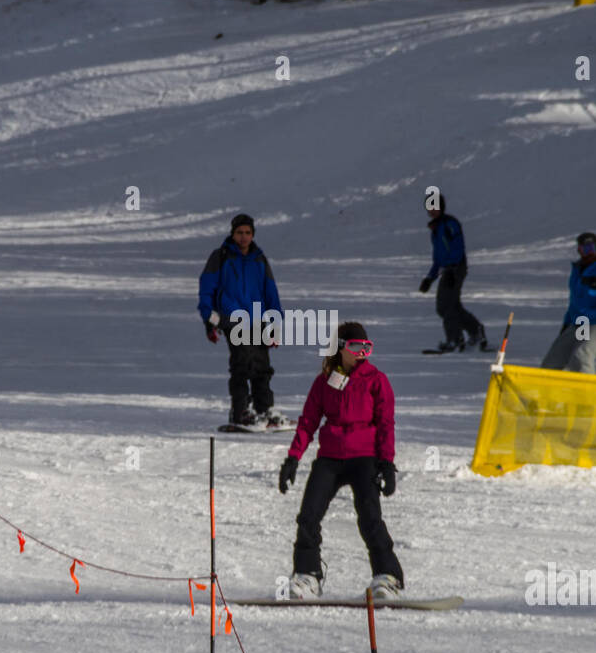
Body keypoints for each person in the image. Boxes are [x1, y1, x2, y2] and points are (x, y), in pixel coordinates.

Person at [277, 322, 403, 600]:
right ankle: (307, 576)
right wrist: (292, 458)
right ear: (341, 348)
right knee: (309, 515)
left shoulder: (376, 380)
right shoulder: (325, 381)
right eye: (356, 347)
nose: (362, 353)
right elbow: (308, 421)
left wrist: (386, 463)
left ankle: (388, 577)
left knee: (370, 517)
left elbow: (385, 424)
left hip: (364, 457)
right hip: (330, 458)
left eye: (367, 347)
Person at [197, 213, 286, 428]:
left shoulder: (259, 259)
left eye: (247, 233)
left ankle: (264, 409)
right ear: (233, 234)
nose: (243, 237)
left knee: (262, 366)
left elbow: (271, 292)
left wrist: (275, 323)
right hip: (232, 319)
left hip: (258, 319)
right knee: (242, 364)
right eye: (239, 233)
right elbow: (206, 289)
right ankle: (240, 411)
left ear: (253, 234)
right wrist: (210, 320)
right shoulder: (221, 257)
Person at [540, 231, 596, 373]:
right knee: (556, 358)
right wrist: (567, 323)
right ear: (579, 251)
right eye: (585, 249)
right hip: (581, 322)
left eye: (591, 248)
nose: (589, 253)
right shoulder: (578, 270)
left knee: (582, 355)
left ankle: (587, 391)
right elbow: (575, 301)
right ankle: (550, 390)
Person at [419, 195, 486, 352]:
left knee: (445, 306)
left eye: (435, 207)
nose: (432, 210)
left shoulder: (450, 224)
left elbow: (458, 248)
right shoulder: (435, 229)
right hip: (448, 270)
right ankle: (476, 331)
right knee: (452, 306)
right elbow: (438, 259)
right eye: (429, 207)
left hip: (456, 269)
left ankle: (455, 339)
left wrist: (452, 268)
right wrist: (430, 278)